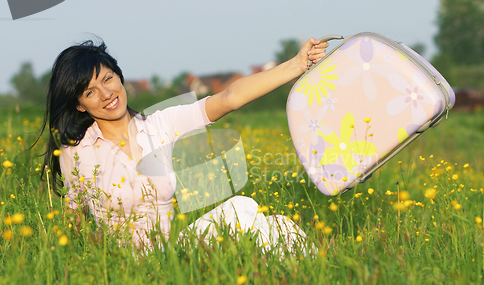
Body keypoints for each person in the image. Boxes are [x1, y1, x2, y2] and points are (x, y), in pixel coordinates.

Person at [38, 37, 328, 250]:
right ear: (79, 106)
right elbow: (73, 220)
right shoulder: (77, 152)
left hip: (175, 253)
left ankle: (313, 276)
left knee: (244, 210)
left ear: (119, 77)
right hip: (126, 264)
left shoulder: (159, 125)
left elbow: (228, 98)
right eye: (90, 91)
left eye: (108, 79)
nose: (105, 93)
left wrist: (297, 64)